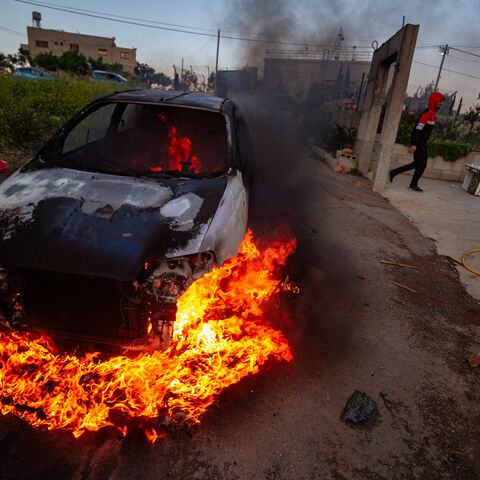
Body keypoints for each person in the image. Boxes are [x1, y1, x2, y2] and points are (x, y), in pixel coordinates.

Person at [390, 92, 445, 192]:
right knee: (421, 164)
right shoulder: (427, 113)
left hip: (422, 142)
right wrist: (414, 144)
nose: (441, 103)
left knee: (417, 164)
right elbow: (417, 130)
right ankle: (413, 184)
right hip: (419, 143)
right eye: (440, 101)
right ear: (434, 101)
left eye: (442, 101)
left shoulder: (432, 113)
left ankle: (394, 172)